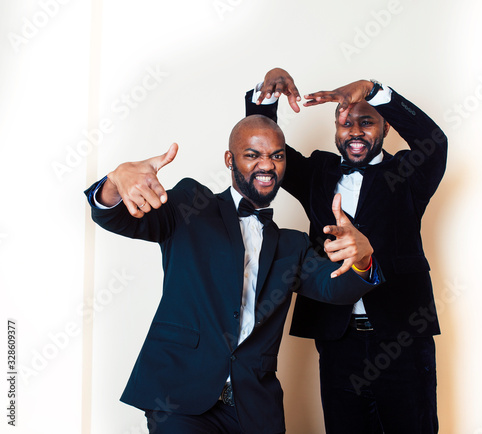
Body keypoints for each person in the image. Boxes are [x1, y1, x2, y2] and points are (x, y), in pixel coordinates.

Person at [84, 114, 383, 434]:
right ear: (230, 159)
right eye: (253, 154)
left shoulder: (291, 244)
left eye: (276, 156)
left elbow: (334, 288)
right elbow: (118, 217)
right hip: (180, 401)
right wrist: (116, 181)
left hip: (254, 410)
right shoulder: (190, 204)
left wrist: (363, 258)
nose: (267, 165)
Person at [246, 68, 447, 434]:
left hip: (402, 334)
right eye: (345, 123)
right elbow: (262, 150)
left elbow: (434, 141)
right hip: (338, 339)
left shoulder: (408, 173)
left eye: (366, 122)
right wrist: (268, 95)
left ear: (386, 128)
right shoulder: (317, 173)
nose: (354, 132)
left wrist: (374, 89)